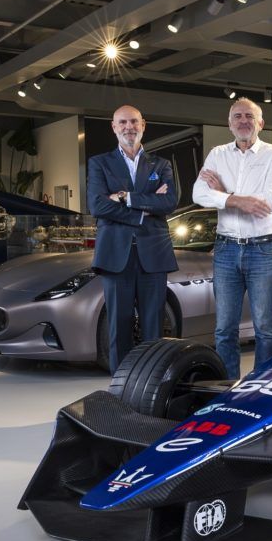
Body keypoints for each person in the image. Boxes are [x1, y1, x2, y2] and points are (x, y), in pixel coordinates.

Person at [192, 98, 272, 379]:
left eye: (249, 116)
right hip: (226, 249)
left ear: (261, 123)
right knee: (224, 329)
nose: (243, 121)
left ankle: (262, 386)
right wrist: (237, 199)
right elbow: (198, 194)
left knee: (265, 328)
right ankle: (228, 387)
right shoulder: (217, 154)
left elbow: (267, 203)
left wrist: (222, 194)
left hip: (263, 248)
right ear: (229, 123)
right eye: (238, 116)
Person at [87, 104, 179, 372]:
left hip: (154, 255)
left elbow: (169, 202)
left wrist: (125, 197)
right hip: (116, 256)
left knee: (154, 328)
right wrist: (143, 210)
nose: (129, 127)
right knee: (119, 326)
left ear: (143, 125)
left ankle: (150, 383)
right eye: (123, 122)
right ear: (114, 127)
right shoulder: (99, 163)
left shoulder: (161, 165)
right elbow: (98, 206)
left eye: (134, 122)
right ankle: (119, 386)